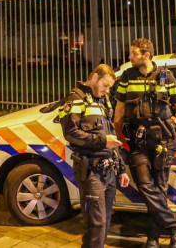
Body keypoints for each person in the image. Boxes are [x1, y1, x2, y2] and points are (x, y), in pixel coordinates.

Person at [113, 39, 176, 248]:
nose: (130, 57)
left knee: (160, 188)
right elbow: (119, 110)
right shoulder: (128, 77)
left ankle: (154, 238)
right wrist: (118, 136)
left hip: (163, 141)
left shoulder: (165, 77)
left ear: (146, 55)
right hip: (138, 142)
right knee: (146, 186)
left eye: (133, 53)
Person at [58, 64, 131, 248]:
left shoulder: (102, 99)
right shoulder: (75, 98)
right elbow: (70, 133)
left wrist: (121, 169)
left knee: (104, 223)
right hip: (91, 170)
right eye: (105, 85)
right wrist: (103, 141)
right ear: (95, 76)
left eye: (109, 87)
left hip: (109, 170)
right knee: (96, 225)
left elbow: (110, 133)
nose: (107, 90)